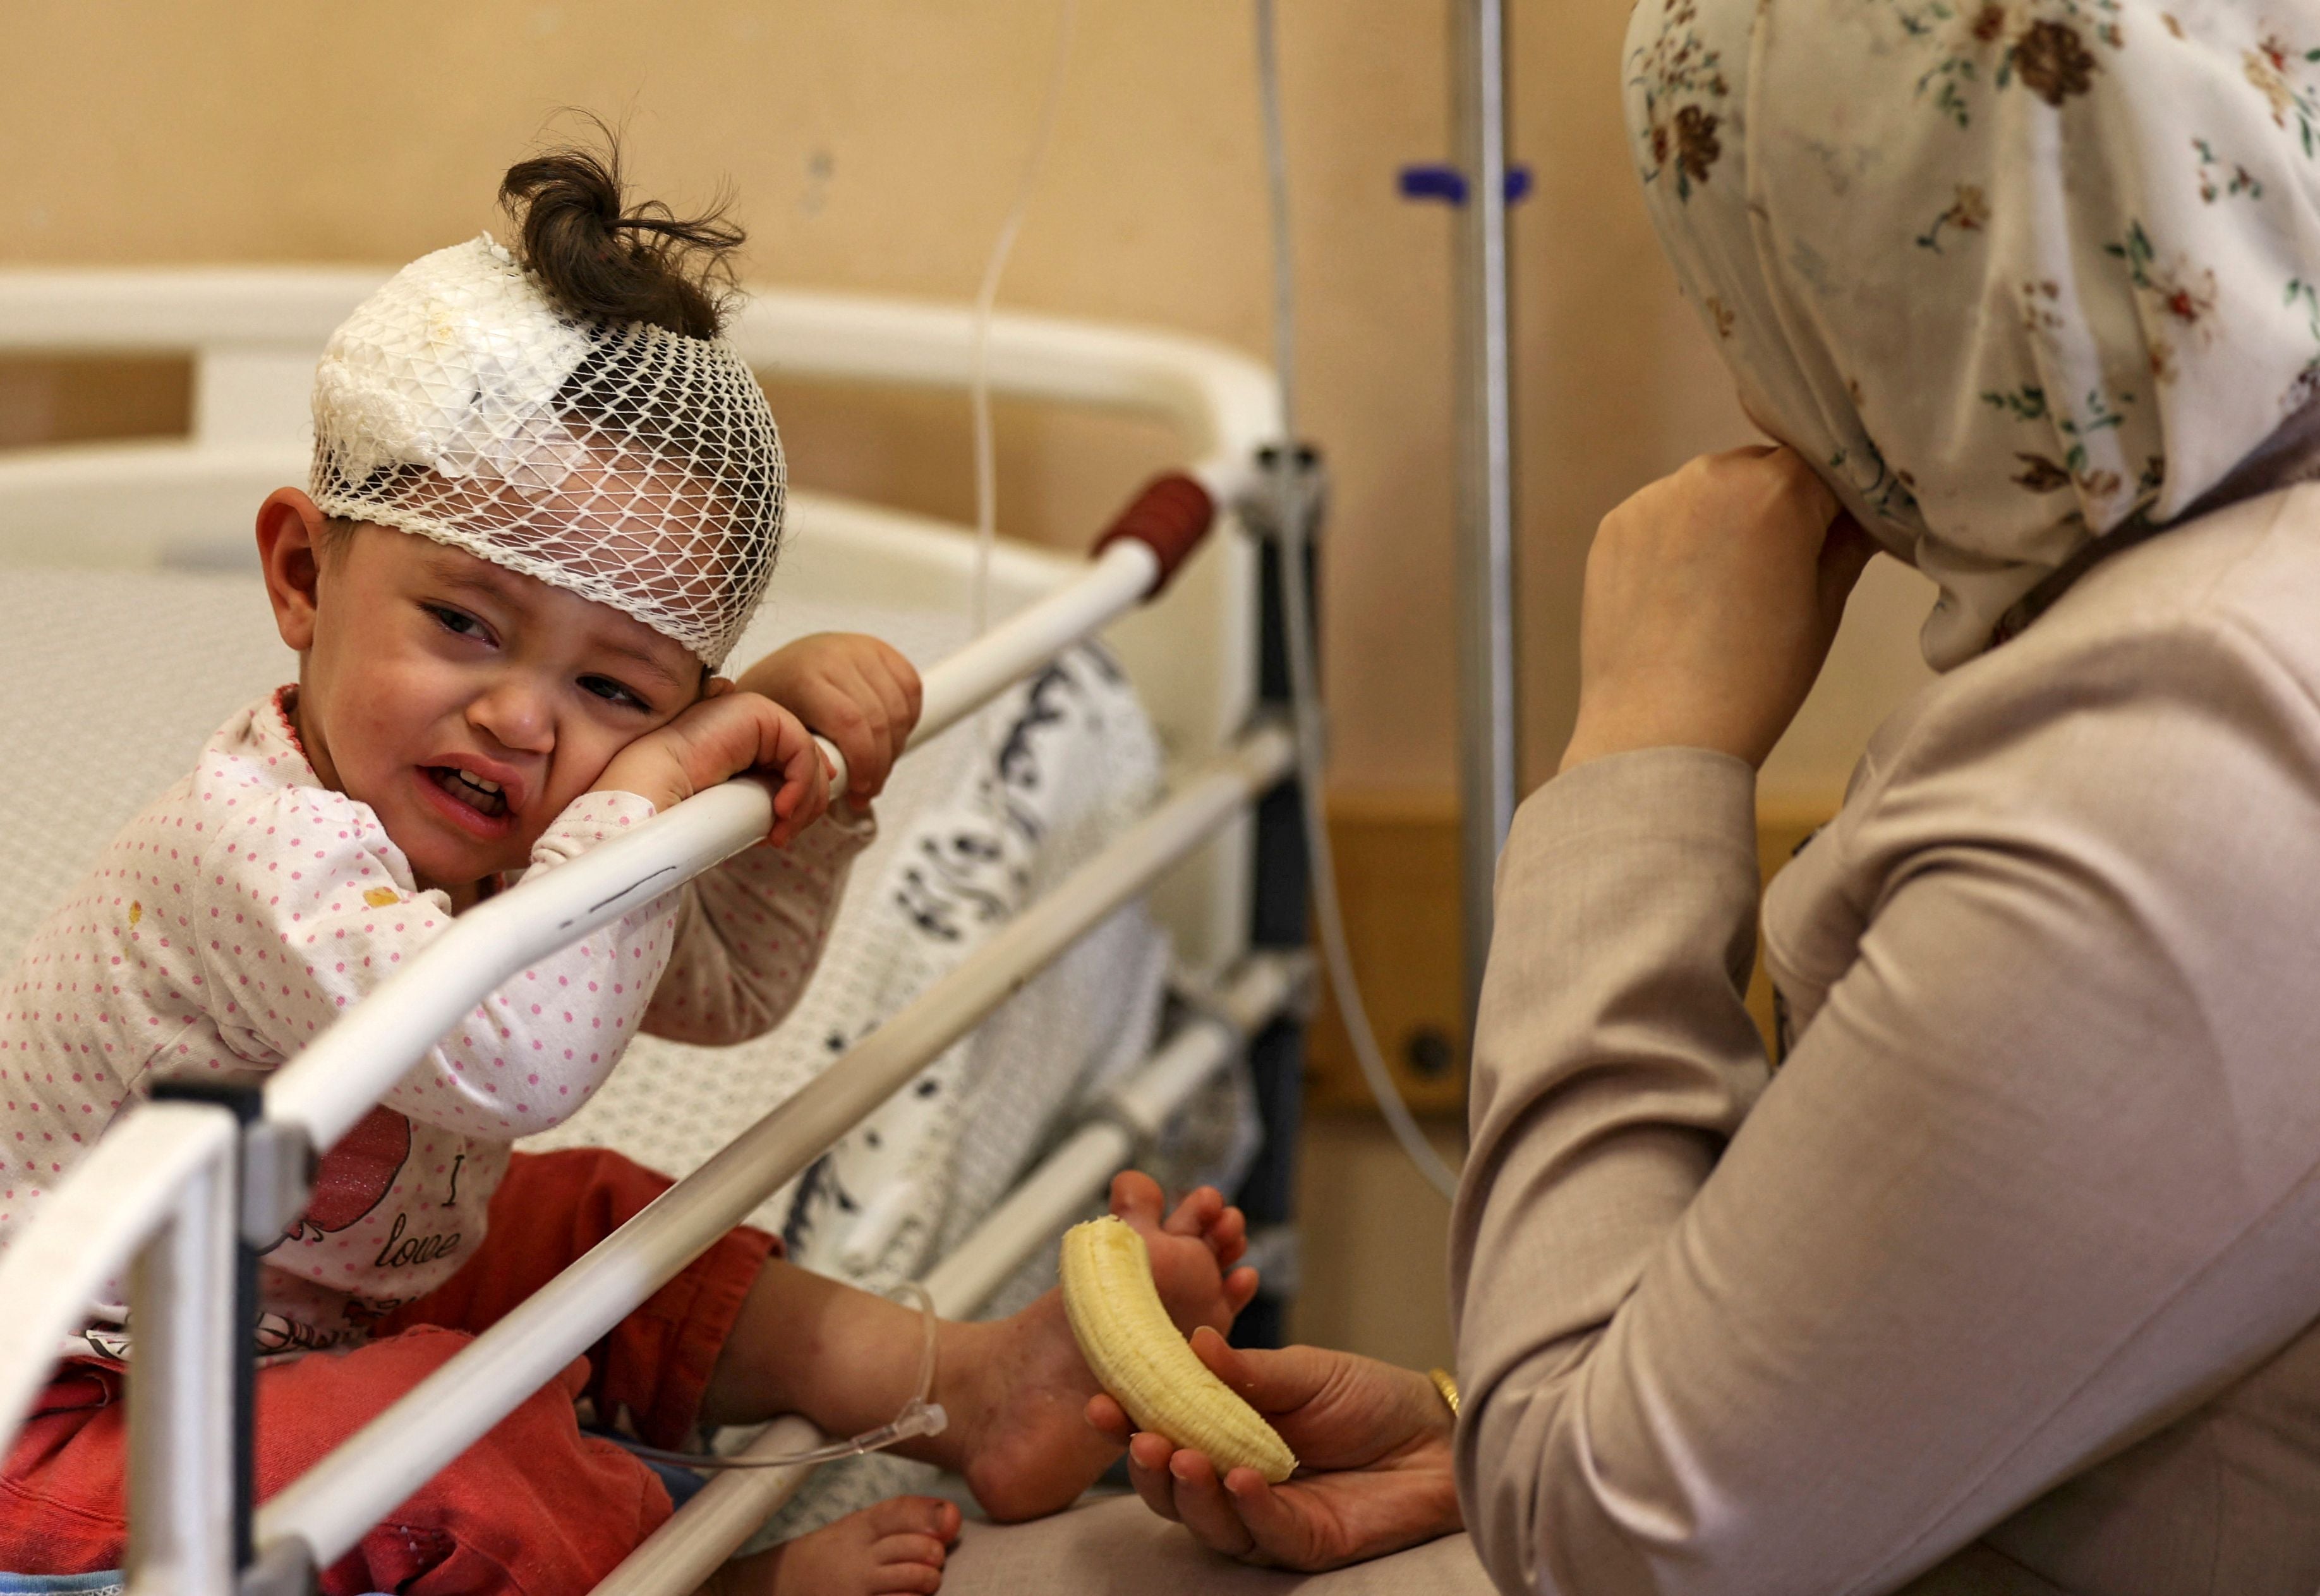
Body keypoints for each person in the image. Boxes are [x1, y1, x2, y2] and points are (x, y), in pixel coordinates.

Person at [1061, 1, 2320, 1592]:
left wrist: (1647, 748)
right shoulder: (2218, 608)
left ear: (1881, 280)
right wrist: (1482, 1431)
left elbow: (1624, 1553)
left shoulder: (2197, 738)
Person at [0, 143, 1259, 1596]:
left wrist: (784, 784)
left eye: (614, 686)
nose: (524, 719)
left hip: (312, 1294)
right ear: (300, 575)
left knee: (596, 1219)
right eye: (465, 625)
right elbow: (517, 1062)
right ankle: (711, 1582)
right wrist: (656, 771)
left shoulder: (486, 823)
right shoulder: (253, 847)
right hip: (75, 1417)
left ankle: (959, 1383)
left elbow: (721, 990)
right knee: (418, 1431)